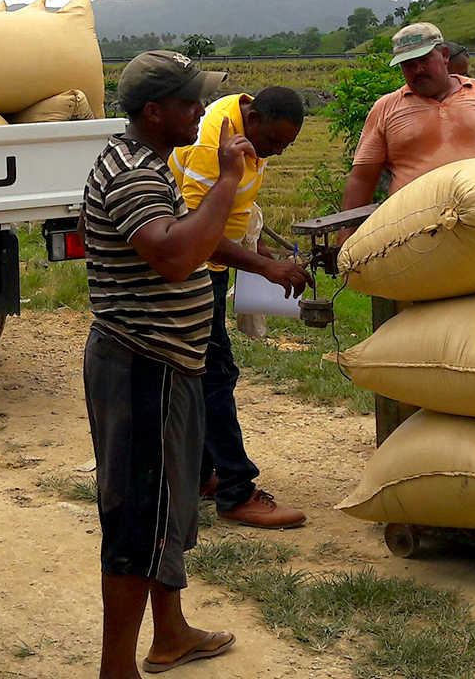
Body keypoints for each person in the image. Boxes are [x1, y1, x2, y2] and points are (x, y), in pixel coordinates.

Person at [82, 50, 242, 678]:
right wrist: (226, 182)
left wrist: (258, 261)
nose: (201, 111)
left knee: (166, 508)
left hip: (165, 363)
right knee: (137, 517)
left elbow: (191, 234)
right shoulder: (133, 175)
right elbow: (175, 256)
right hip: (141, 365)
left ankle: (170, 634)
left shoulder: (150, 163)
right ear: (154, 111)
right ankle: (115, 669)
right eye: (189, 102)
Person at [170, 87, 312, 529]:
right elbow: (195, 230)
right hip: (193, 267)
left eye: (287, 145)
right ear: (255, 119)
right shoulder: (213, 140)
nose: (277, 151)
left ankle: (200, 475)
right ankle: (236, 491)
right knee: (215, 374)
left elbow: (235, 203)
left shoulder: (248, 131)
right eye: (274, 141)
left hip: (213, 264)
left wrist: (257, 244)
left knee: (204, 372)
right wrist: (265, 268)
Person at [340, 22, 475, 236]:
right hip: (414, 233)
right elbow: (362, 179)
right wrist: (346, 239)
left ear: (445, 55)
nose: (418, 70)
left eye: (424, 60)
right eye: (408, 64)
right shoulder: (385, 108)